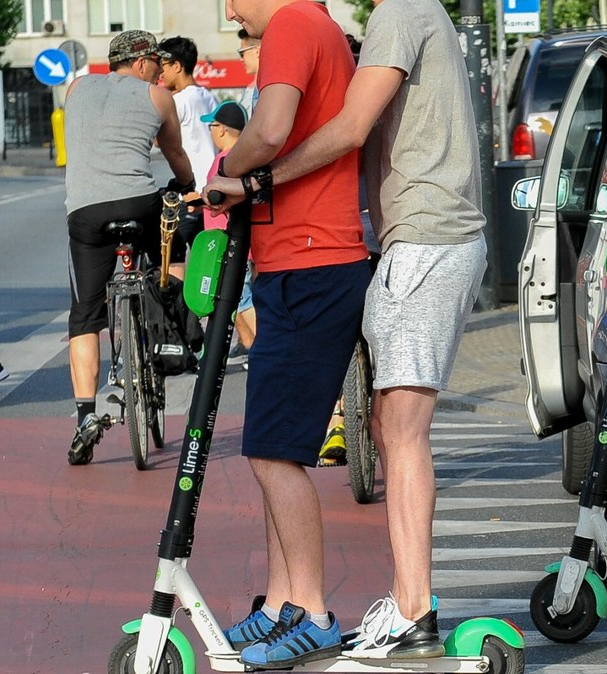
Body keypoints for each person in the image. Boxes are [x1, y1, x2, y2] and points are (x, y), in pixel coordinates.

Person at [207, 0, 481, 660]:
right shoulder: (403, 17)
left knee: (400, 429)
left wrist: (252, 179)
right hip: (412, 235)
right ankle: (393, 602)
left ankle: (414, 609)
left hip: (427, 233)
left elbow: (350, 126)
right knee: (388, 427)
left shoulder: (398, 14)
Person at [207, 0, 370, 668]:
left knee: (278, 452)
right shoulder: (310, 27)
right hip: (296, 262)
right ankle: (280, 605)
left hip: (312, 261)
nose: (228, 7)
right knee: (267, 446)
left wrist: (226, 177)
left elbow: (268, 132)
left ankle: (315, 612)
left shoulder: (293, 26)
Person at [63, 30, 195, 466]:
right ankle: (171, 332)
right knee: (173, 248)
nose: (159, 70)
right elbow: (175, 154)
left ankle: (85, 414)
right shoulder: (158, 99)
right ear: (141, 64)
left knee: (85, 312)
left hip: (84, 212)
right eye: (155, 63)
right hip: (137, 203)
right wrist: (188, 186)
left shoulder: (77, 87)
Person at [198, 99, 257, 365]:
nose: (210, 132)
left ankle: (262, 348)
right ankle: (252, 350)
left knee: (242, 301)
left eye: (212, 126)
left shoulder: (225, 160)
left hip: (229, 248)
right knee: (236, 302)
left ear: (221, 129)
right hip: (236, 247)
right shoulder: (241, 158)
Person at [159, 36, 219, 267]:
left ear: (177, 65)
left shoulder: (179, 101)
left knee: (173, 258)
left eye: (163, 66)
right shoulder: (208, 96)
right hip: (212, 189)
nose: (160, 73)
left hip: (191, 192)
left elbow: (157, 139)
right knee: (207, 259)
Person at [237, 29, 262, 117]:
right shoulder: (251, 88)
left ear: (257, 51)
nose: (241, 59)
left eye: (242, 53)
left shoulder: (268, 88)